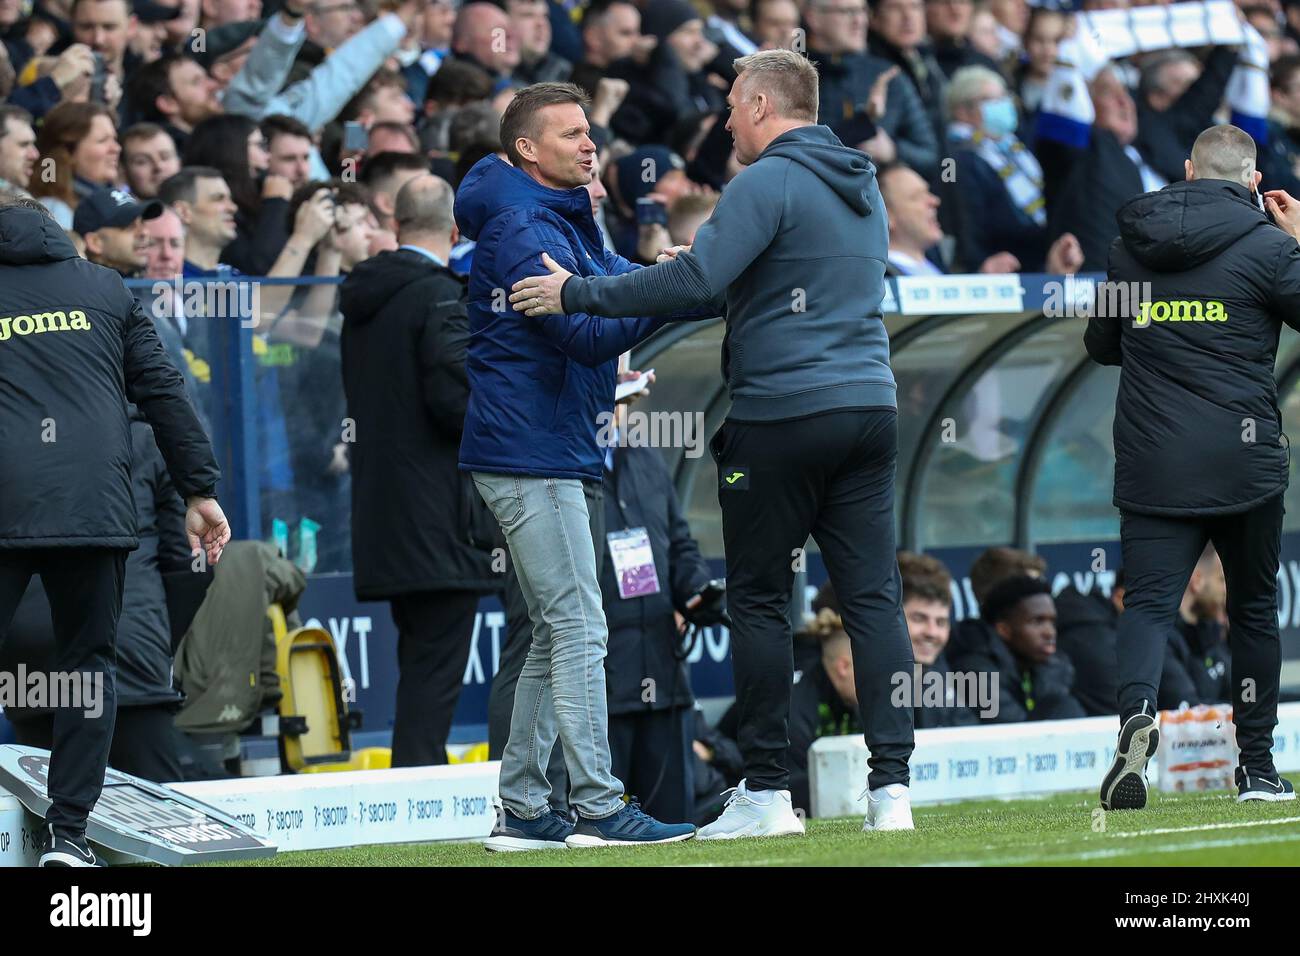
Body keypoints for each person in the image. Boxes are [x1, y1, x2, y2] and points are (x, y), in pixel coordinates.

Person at [511, 49, 917, 838]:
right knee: (874, 599)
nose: (726, 120)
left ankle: (766, 795)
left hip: (781, 415)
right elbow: (775, 278)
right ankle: (891, 791)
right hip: (871, 408)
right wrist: (711, 271)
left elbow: (694, 289)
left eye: (733, 105)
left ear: (764, 105)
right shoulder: (862, 181)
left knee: (760, 598)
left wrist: (576, 293)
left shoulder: (764, 180)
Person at [455, 81, 697, 849]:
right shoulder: (521, 227)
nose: (590, 144)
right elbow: (589, 332)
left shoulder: (566, 217)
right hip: (531, 454)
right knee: (578, 624)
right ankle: (596, 803)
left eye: (589, 131)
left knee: (553, 632)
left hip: (557, 447)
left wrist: (672, 275)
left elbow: (614, 291)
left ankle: (525, 808)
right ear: (527, 149)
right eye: (569, 134)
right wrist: (674, 290)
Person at [0, 192, 229, 867]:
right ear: (61, 237)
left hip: (8, 503)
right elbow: (164, 391)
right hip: (95, 505)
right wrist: (200, 489)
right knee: (88, 669)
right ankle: (69, 836)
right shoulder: (103, 287)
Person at [1091, 124, 1299, 809]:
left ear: (1185, 169)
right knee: (1253, 613)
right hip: (1243, 461)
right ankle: (1259, 769)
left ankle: (1137, 722)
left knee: (1149, 607)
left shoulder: (1129, 248)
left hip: (1155, 457)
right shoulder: (1270, 247)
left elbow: (1103, 344)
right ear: (1251, 180)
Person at [338, 173, 499, 766]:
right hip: (441, 524)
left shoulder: (364, 298)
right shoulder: (438, 295)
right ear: (456, 231)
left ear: (395, 224)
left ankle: (412, 786)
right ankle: (416, 793)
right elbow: (455, 401)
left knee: (419, 668)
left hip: (385, 515)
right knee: (434, 678)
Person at [949, 574, 1086, 723]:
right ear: (1004, 630)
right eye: (1037, 622)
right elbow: (1012, 735)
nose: (1050, 632)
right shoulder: (974, 671)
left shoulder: (1053, 663)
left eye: (1052, 622)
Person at [75, 185, 163, 277]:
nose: (144, 232)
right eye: (129, 225)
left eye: (142, 222)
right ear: (95, 242)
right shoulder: (80, 289)